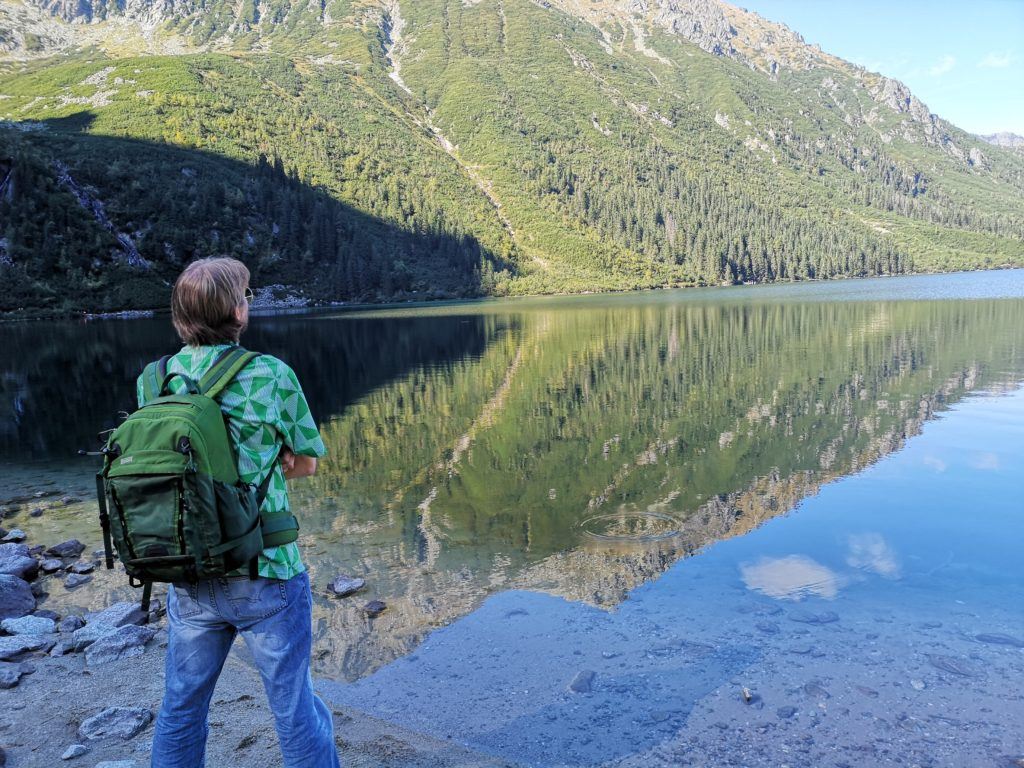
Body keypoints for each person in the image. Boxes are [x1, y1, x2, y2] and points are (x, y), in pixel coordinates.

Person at [145, 257, 339, 768]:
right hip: (266, 568)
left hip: (190, 571)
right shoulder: (270, 374)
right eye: (247, 295)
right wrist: (275, 465)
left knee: (182, 707)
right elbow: (308, 464)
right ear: (236, 310)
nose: (248, 302)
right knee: (294, 710)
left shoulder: (155, 379)